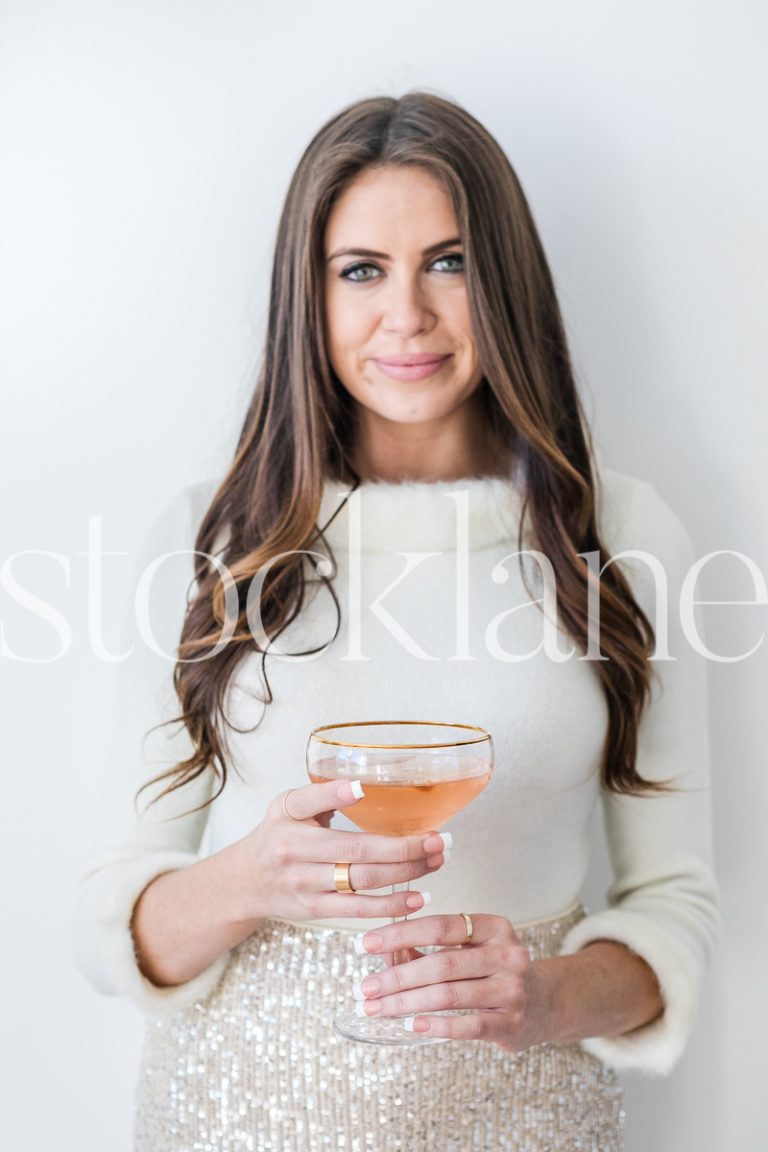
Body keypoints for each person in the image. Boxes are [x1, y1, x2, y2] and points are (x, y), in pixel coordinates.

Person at [73, 91, 720, 1151]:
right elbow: (108, 933)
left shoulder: (625, 538)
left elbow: (674, 907)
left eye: (450, 263)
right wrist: (250, 879)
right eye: (361, 270)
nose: (407, 314)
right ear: (310, 296)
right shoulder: (208, 538)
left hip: (529, 1124)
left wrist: (547, 1000)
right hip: (234, 1122)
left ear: (505, 285)